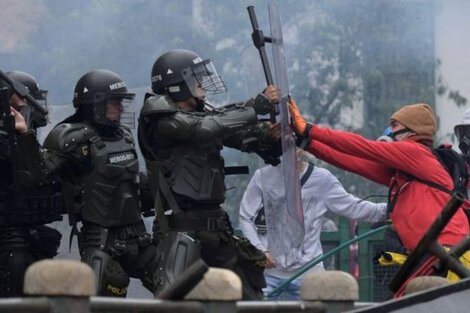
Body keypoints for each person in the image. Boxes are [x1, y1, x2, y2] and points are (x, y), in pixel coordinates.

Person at [138, 49, 282, 299]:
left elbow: (236, 134)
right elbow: (204, 128)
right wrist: (254, 105)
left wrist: (269, 136)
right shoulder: (160, 118)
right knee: (173, 299)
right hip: (181, 227)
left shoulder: (202, 115)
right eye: (196, 78)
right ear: (177, 85)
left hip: (217, 227)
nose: (202, 84)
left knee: (249, 294)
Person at [288, 100, 470, 294]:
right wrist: (305, 143)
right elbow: (351, 160)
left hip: (448, 250)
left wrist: (308, 129)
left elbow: (361, 146)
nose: (389, 131)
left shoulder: (414, 152)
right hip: (431, 252)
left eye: (394, 125)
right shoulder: (402, 173)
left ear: (412, 131)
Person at [41, 69, 157, 297]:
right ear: (95, 104)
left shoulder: (124, 135)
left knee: (177, 285)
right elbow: (36, 176)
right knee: (109, 292)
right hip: (101, 239)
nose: (121, 108)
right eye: (115, 102)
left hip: (138, 235)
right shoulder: (71, 137)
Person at [239, 149, 387, 300]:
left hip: (309, 269)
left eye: (295, 143)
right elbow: (246, 217)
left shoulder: (322, 179)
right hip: (268, 271)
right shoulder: (263, 176)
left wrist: (392, 209)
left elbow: (354, 207)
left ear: (303, 148)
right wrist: (259, 250)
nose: (290, 149)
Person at [0, 72, 62, 297]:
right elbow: (31, 176)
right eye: (21, 102)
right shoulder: (7, 139)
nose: (29, 107)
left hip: (29, 237)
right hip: (8, 244)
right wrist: (23, 133)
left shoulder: (21, 138)